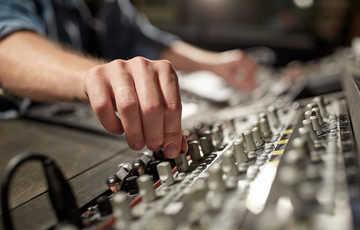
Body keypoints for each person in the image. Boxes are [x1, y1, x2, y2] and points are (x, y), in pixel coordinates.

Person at [0, 0, 256, 159]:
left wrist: (215, 63)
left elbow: (150, 41)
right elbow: (7, 50)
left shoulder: (114, 6)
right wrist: (95, 77)